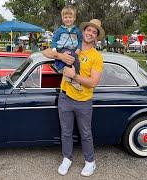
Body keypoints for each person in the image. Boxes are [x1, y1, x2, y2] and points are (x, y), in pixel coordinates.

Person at [43, 19, 105, 177]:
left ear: (96, 37)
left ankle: (90, 162)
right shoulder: (70, 47)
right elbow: (45, 52)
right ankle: (67, 158)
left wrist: (75, 76)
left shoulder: (96, 57)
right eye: (88, 30)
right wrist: (60, 56)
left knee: (85, 133)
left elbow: (93, 83)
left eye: (94, 32)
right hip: (65, 97)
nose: (90, 33)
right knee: (66, 132)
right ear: (83, 31)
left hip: (84, 100)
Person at [51, 5, 83, 91]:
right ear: (62, 18)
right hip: (62, 48)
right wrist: (54, 49)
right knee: (73, 58)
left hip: (73, 49)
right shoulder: (60, 30)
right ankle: (75, 78)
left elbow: (80, 40)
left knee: (74, 58)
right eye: (66, 17)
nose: (68, 19)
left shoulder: (77, 30)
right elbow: (54, 40)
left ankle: (70, 77)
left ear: (74, 18)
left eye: (70, 17)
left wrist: (79, 48)